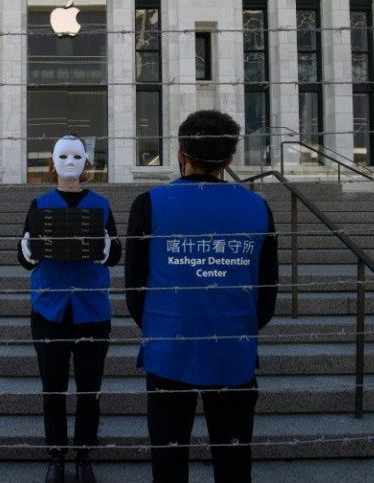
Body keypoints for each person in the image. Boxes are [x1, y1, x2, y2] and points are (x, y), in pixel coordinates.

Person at [125, 110, 278, 483]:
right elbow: (267, 294)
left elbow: (134, 289)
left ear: (181, 154)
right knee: (233, 461)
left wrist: (159, 323)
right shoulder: (258, 207)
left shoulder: (149, 204)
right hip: (233, 347)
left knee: (169, 462)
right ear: (229, 160)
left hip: (169, 346)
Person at [18, 135, 122, 483]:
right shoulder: (39, 203)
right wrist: (27, 250)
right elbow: (25, 258)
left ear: (86, 162)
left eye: (77, 156)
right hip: (50, 308)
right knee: (53, 388)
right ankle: (56, 454)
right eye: (63, 156)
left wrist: (108, 248)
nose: (70, 163)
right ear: (52, 162)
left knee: (89, 388)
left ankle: (84, 453)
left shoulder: (102, 204)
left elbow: (117, 253)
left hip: (92, 308)